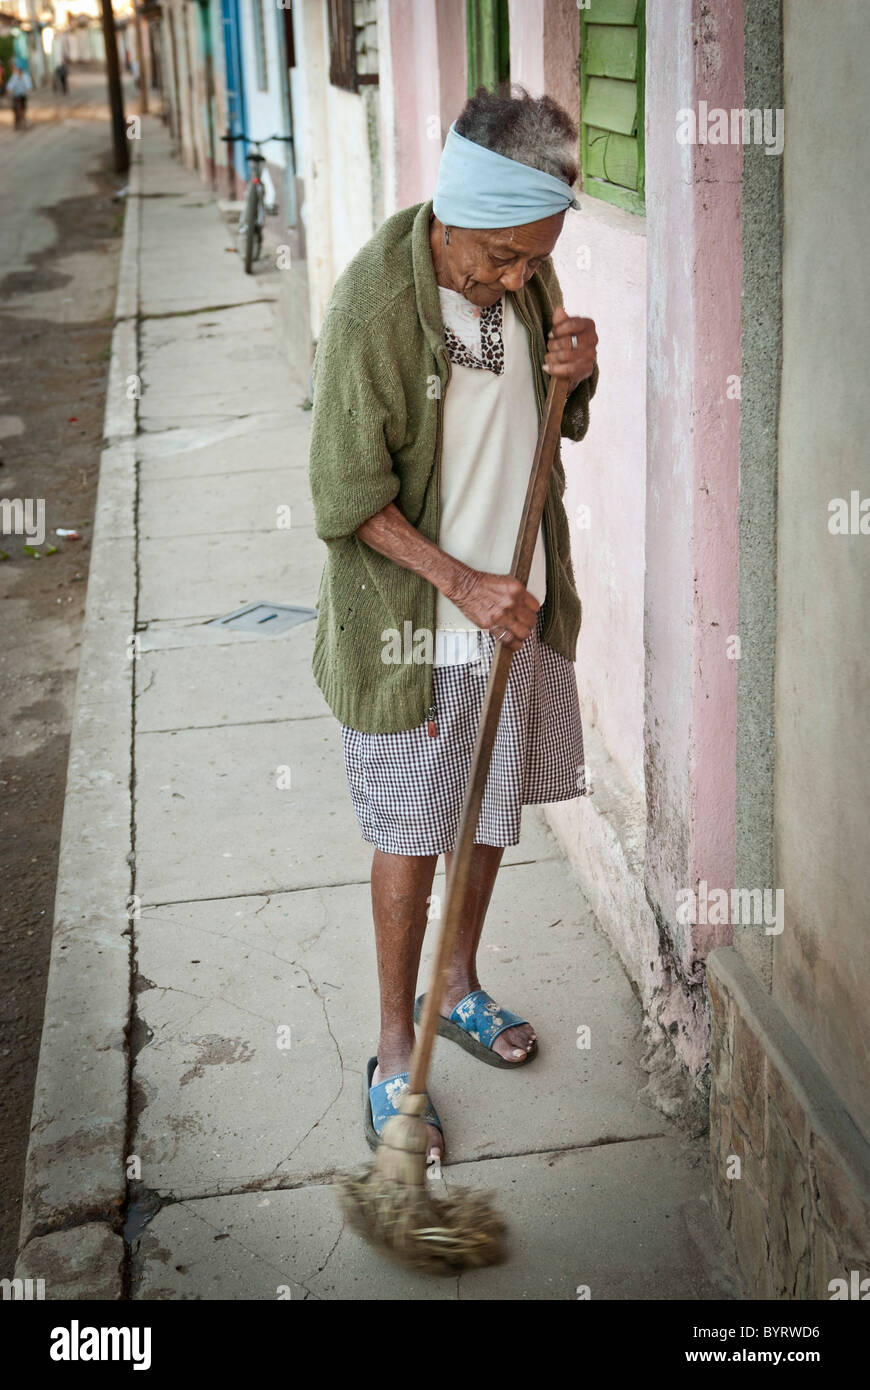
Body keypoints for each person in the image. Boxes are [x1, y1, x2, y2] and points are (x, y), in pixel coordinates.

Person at [308, 87, 598, 1164]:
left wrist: (578, 360)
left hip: (509, 614)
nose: (521, 279)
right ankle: (394, 1050)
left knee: (487, 810)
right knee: (411, 830)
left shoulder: (522, 267)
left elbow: (554, 413)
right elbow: (346, 495)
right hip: (413, 632)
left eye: (536, 261)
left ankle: (460, 984)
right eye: (507, 260)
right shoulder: (376, 311)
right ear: (456, 216)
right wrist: (461, 582)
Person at [7, 63, 32, 130]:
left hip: (23, 94)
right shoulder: (14, 77)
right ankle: (16, 122)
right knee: (14, 108)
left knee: (23, 108)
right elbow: (10, 85)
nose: (20, 72)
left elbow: (28, 85)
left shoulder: (25, 77)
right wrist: (9, 90)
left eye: (21, 70)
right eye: (19, 70)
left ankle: (24, 120)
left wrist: (28, 90)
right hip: (15, 95)